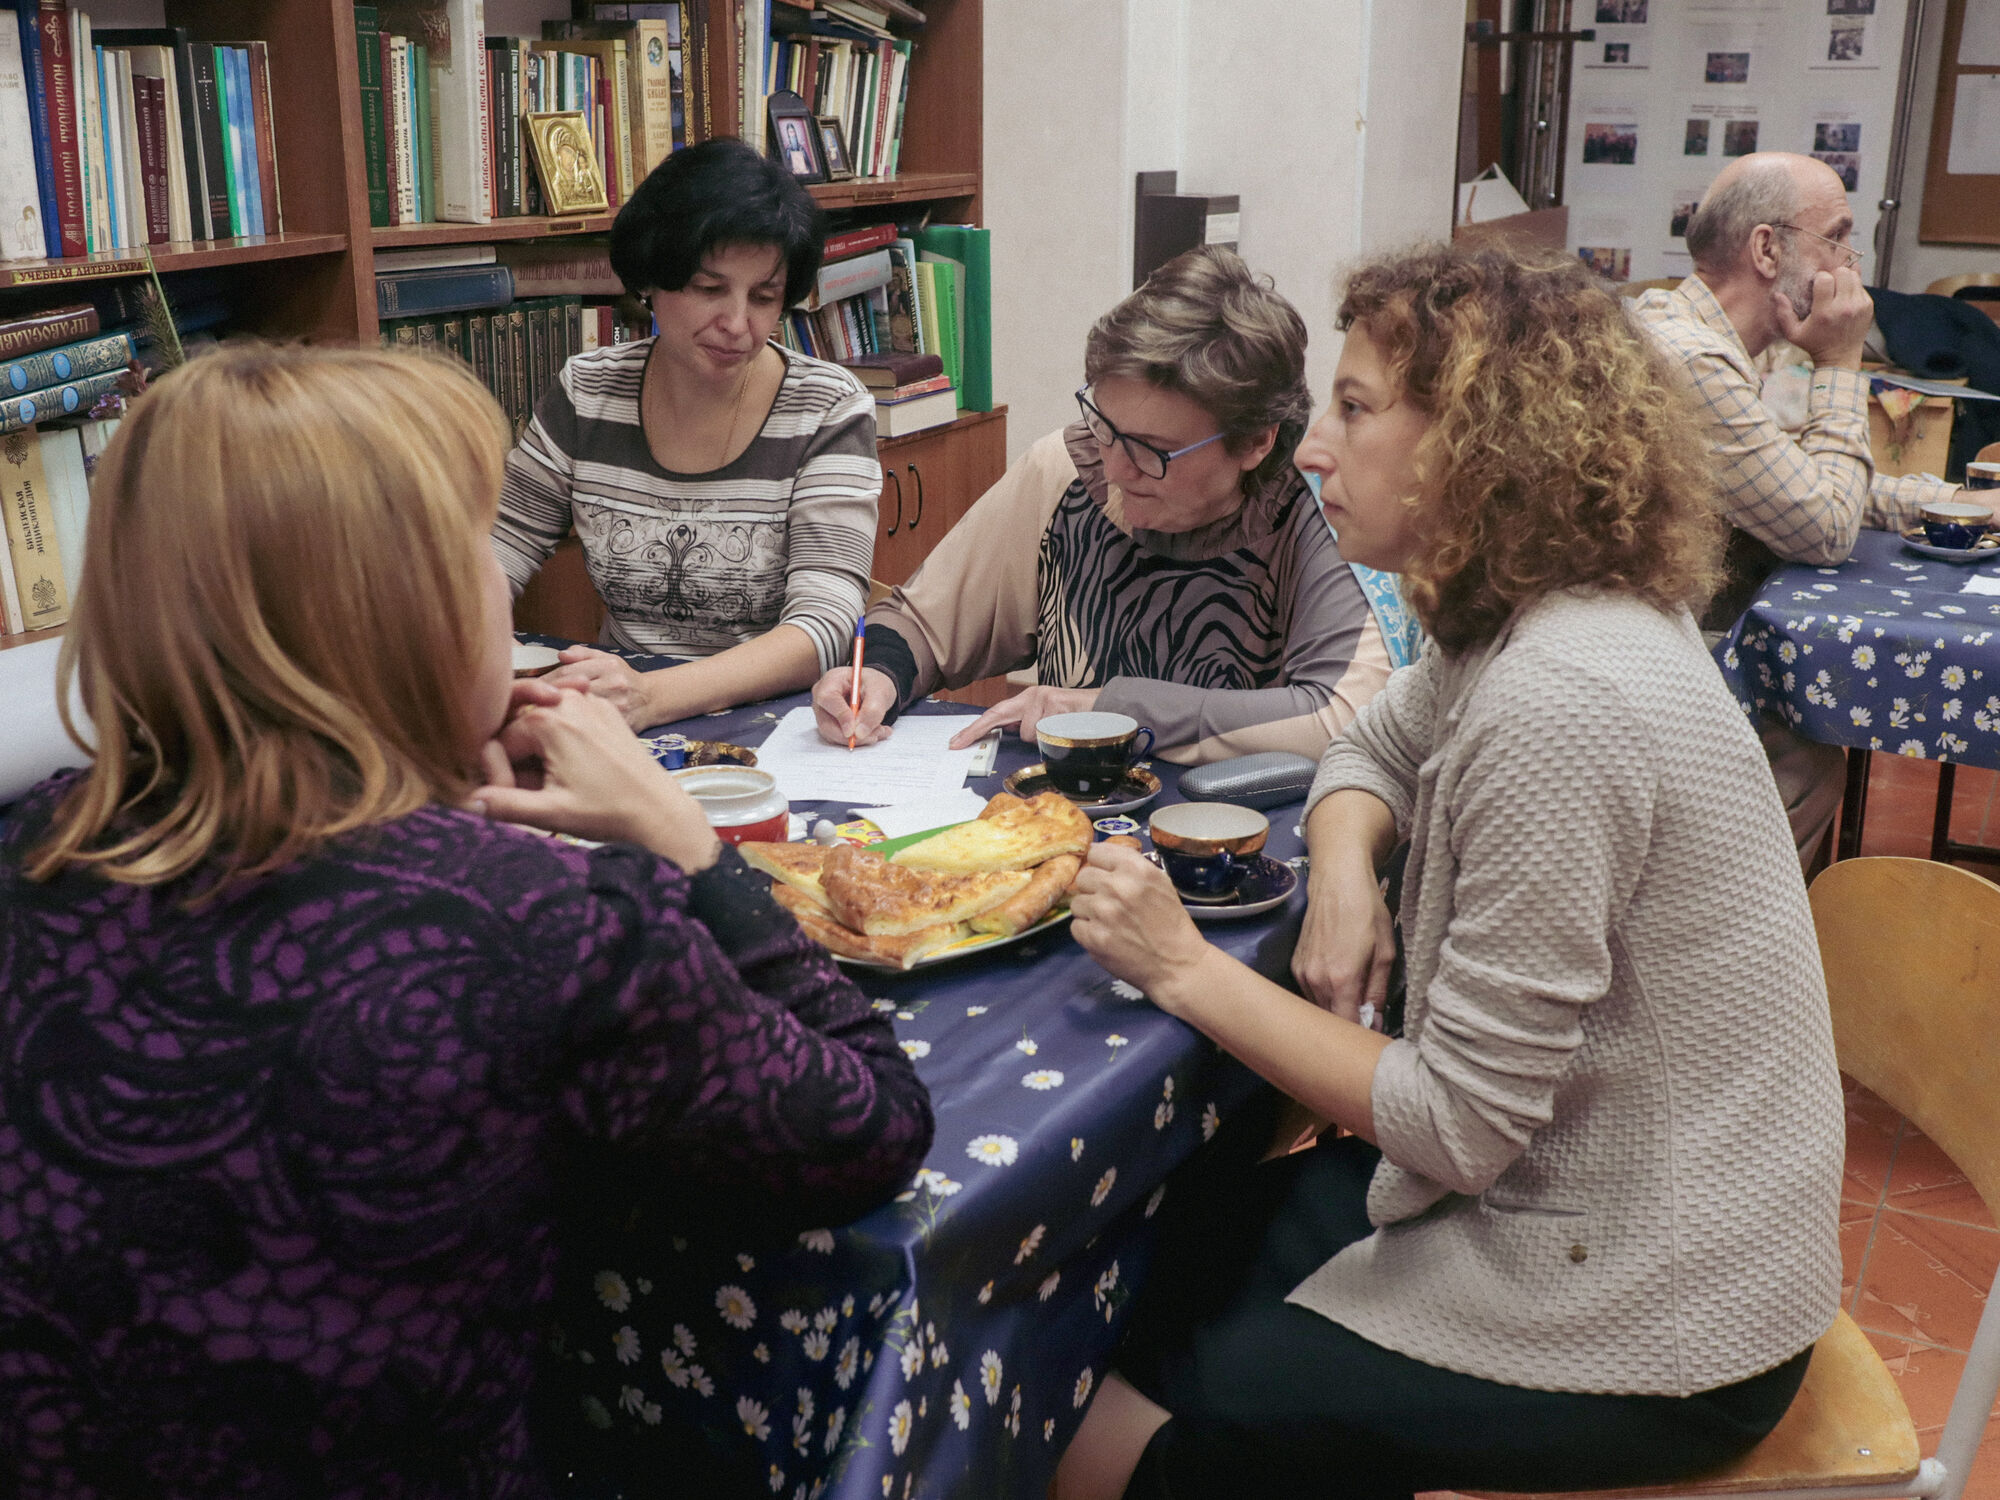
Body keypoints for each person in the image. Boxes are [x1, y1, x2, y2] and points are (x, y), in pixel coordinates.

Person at [0, 343, 932, 1497]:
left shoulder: (32, 846)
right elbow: (868, 1128)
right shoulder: (552, 925)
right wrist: (685, 846)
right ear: (409, 610)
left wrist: (427, 789)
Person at [1057, 244, 1843, 1500]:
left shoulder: (1557, 700)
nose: (1313, 449)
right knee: (1149, 1252)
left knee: (1132, 1393)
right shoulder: (1537, 614)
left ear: (1477, 441)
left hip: (1666, 1310)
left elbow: (1453, 1126)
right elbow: (1369, 746)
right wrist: (1342, 869)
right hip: (1588, 1204)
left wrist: (1179, 966)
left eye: (1354, 408)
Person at [810, 247, 1394, 764]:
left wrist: (1109, 709)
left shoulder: (1323, 515)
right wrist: (878, 674)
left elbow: (1343, 719)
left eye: (1152, 451)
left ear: (1255, 442)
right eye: (1106, 426)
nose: (1114, 470)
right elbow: (923, 624)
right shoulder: (1072, 469)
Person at [1632, 151, 1967, 864]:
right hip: (1635, 664)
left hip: (1658, 641)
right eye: (1837, 237)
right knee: (1804, 761)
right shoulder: (1693, 360)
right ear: (1766, 249)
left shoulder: (1701, 337)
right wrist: (1842, 363)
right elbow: (1824, 527)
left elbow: (1791, 482)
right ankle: (1705, 921)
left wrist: (1959, 503)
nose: (1851, 263)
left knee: (1811, 749)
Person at [493, 137, 880, 731]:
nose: (737, 324)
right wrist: (471, 640)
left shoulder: (827, 406)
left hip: (771, 725)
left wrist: (652, 696)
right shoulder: (589, 392)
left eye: (764, 297)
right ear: (652, 278)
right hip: (620, 715)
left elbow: (824, 624)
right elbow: (498, 549)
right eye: (708, 289)